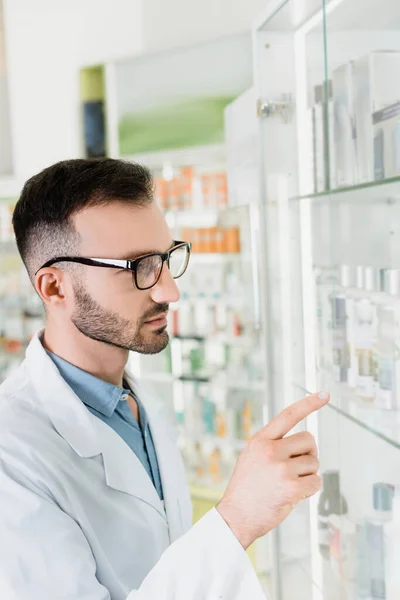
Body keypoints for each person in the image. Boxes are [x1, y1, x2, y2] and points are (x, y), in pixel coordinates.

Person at [0, 158, 329, 599]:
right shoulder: (12, 453)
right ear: (55, 287)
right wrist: (237, 519)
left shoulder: (135, 401)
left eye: (166, 258)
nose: (169, 290)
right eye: (137, 267)